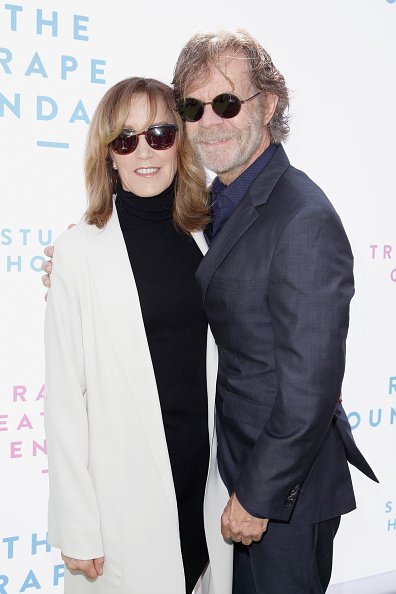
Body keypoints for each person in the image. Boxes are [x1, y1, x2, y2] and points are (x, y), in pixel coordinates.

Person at [171, 30, 378, 593]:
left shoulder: (301, 217)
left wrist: (258, 498)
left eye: (227, 102)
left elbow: (310, 387)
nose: (209, 121)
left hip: (282, 497)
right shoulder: (215, 202)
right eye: (193, 106)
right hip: (231, 470)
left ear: (269, 105)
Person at [43, 76, 232, 594]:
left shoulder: (210, 235)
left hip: (205, 487)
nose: (144, 152)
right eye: (125, 140)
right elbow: (64, 401)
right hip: (122, 508)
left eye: (159, 134)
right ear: (109, 155)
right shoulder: (78, 252)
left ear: (180, 143)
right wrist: (76, 526)